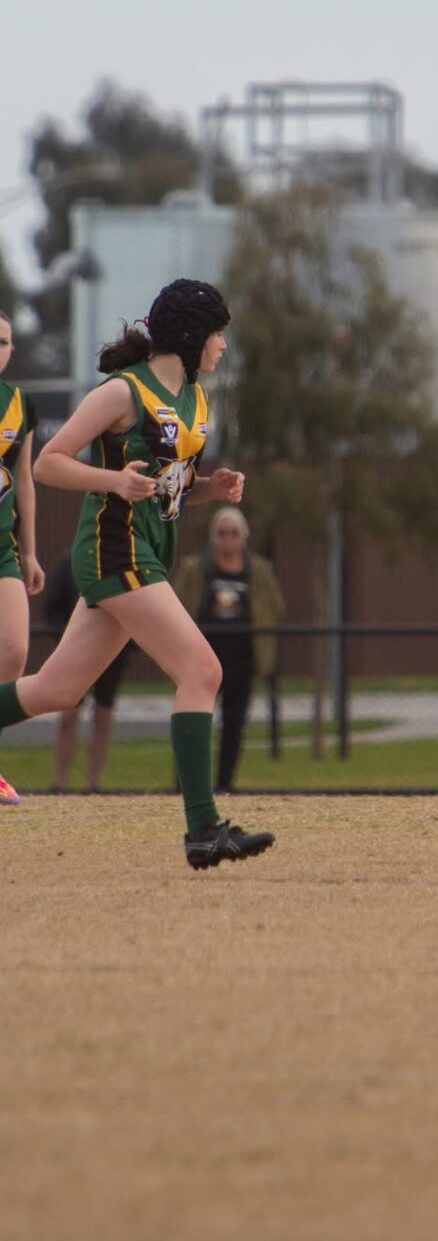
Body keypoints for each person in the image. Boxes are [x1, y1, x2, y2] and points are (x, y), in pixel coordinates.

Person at [0, 279, 275, 869]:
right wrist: (114, 481)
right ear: (191, 335)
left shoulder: (196, 398)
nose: (224, 345)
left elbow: (168, 488)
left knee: (56, 690)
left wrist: (211, 488)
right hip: (115, 550)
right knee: (202, 670)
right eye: (219, 333)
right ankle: (203, 830)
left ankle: (204, 830)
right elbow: (48, 464)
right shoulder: (124, 391)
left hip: (146, 550)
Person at [174, 506, 285, 793]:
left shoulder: (259, 572)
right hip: (201, 660)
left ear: (244, 537)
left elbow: (275, 607)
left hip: (241, 660)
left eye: (234, 533)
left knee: (234, 724)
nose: (228, 539)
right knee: (194, 722)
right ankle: (185, 784)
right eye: (222, 533)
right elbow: (176, 604)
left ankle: (225, 784)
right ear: (213, 536)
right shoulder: (195, 569)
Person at [42, 549, 133, 793]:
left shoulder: (123, 563)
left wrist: (128, 641)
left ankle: (93, 783)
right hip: (76, 651)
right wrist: (67, 640)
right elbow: (52, 604)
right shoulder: (72, 563)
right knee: (68, 715)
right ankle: (59, 782)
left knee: (103, 717)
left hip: (113, 654)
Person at [0, 308, 44, 805]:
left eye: (4, 342)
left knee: (13, 652)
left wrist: (30, 552)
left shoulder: (20, 404)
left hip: (3, 548)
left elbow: (26, 480)